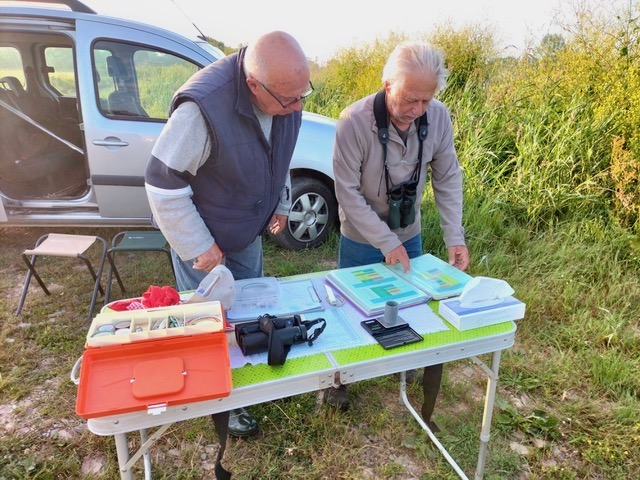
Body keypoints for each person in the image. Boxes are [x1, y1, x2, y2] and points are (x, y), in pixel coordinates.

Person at [144, 31, 313, 438]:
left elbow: (280, 154)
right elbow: (161, 183)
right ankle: (218, 400)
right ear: (254, 84)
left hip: (247, 230)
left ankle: (247, 383)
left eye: (303, 94)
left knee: (251, 308)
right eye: (289, 99)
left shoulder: (284, 94)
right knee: (208, 322)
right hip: (207, 238)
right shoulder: (203, 108)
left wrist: (281, 203)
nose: (297, 107)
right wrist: (200, 247)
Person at [327, 41, 470, 425]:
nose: (417, 110)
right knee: (351, 309)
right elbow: (347, 193)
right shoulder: (353, 122)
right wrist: (386, 243)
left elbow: (448, 176)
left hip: (409, 230)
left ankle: (404, 362)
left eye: (425, 100)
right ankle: (339, 379)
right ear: (387, 84)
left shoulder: (437, 117)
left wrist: (455, 235)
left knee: (412, 303)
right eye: (409, 99)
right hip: (359, 233)